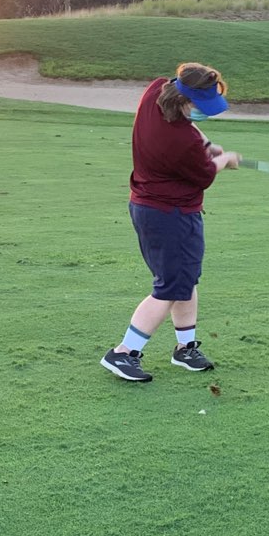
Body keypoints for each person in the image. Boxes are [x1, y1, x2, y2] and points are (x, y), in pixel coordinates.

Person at [100, 62, 240, 382]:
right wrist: (222, 159)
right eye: (200, 107)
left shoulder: (156, 91)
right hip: (171, 216)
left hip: (150, 209)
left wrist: (206, 144)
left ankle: (185, 348)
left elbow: (194, 135)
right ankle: (124, 352)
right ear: (184, 101)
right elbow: (205, 175)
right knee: (168, 287)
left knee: (184, 281)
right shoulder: (179, 142)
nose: (203, 113)